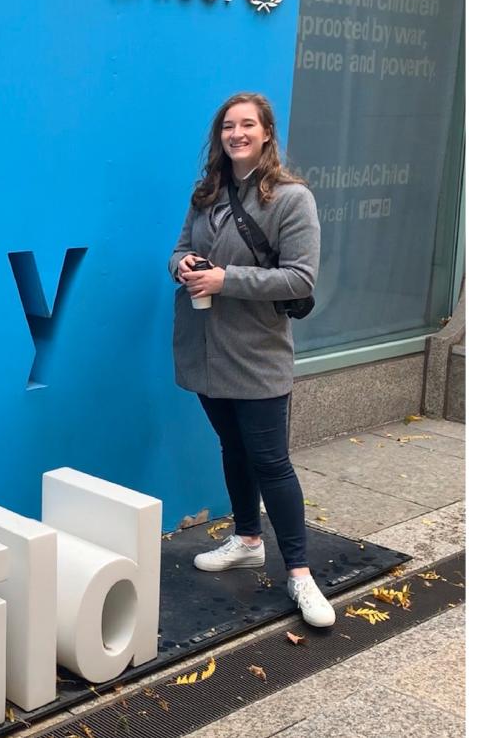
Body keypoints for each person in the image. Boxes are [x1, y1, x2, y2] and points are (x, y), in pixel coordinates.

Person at [168, 92, 333, 628]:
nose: (236, 134)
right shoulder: (207, 193)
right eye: (227, 127)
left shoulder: (291, 199)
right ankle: (246, 539)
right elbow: (176, 250)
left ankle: (302, 574)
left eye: (247, 125)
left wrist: (225, 279)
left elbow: (300, 278)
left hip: (257, 353)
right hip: (206, 349)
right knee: (232, 448)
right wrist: (185, 264)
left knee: (271, 462)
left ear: (266, 134)